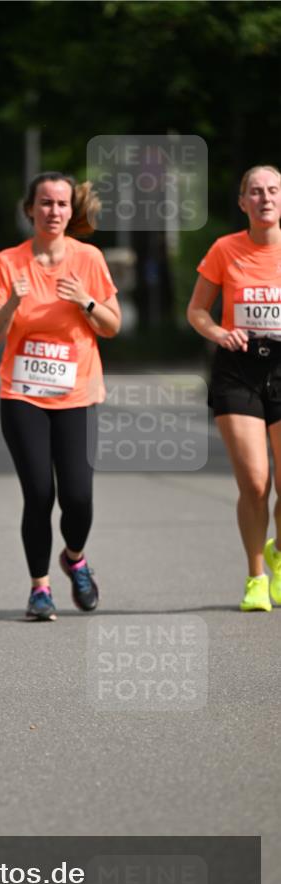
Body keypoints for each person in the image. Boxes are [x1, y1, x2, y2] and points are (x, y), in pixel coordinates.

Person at [0, 172, 121, 620]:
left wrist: (86, 300)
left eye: (61, 204)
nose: (54, 212)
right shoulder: (7, 263)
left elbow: (112, 326)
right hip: (22, 395)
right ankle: (39, 588)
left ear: (70, 210)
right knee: (39, 493)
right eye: (45, 203)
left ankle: (75, 557)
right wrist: (10, 304)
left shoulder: (89, 259)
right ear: (30, 210)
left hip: (77, 393)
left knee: (78, 497)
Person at [187, 164, 281, 612]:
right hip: (238, 368)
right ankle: (256, 576)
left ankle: (278, 553)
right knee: (256, 482)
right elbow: (197, 311)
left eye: (273, 191)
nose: (265, 198)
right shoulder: (226, 249)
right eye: (256, 192)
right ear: (243, 202)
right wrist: (218, 333)